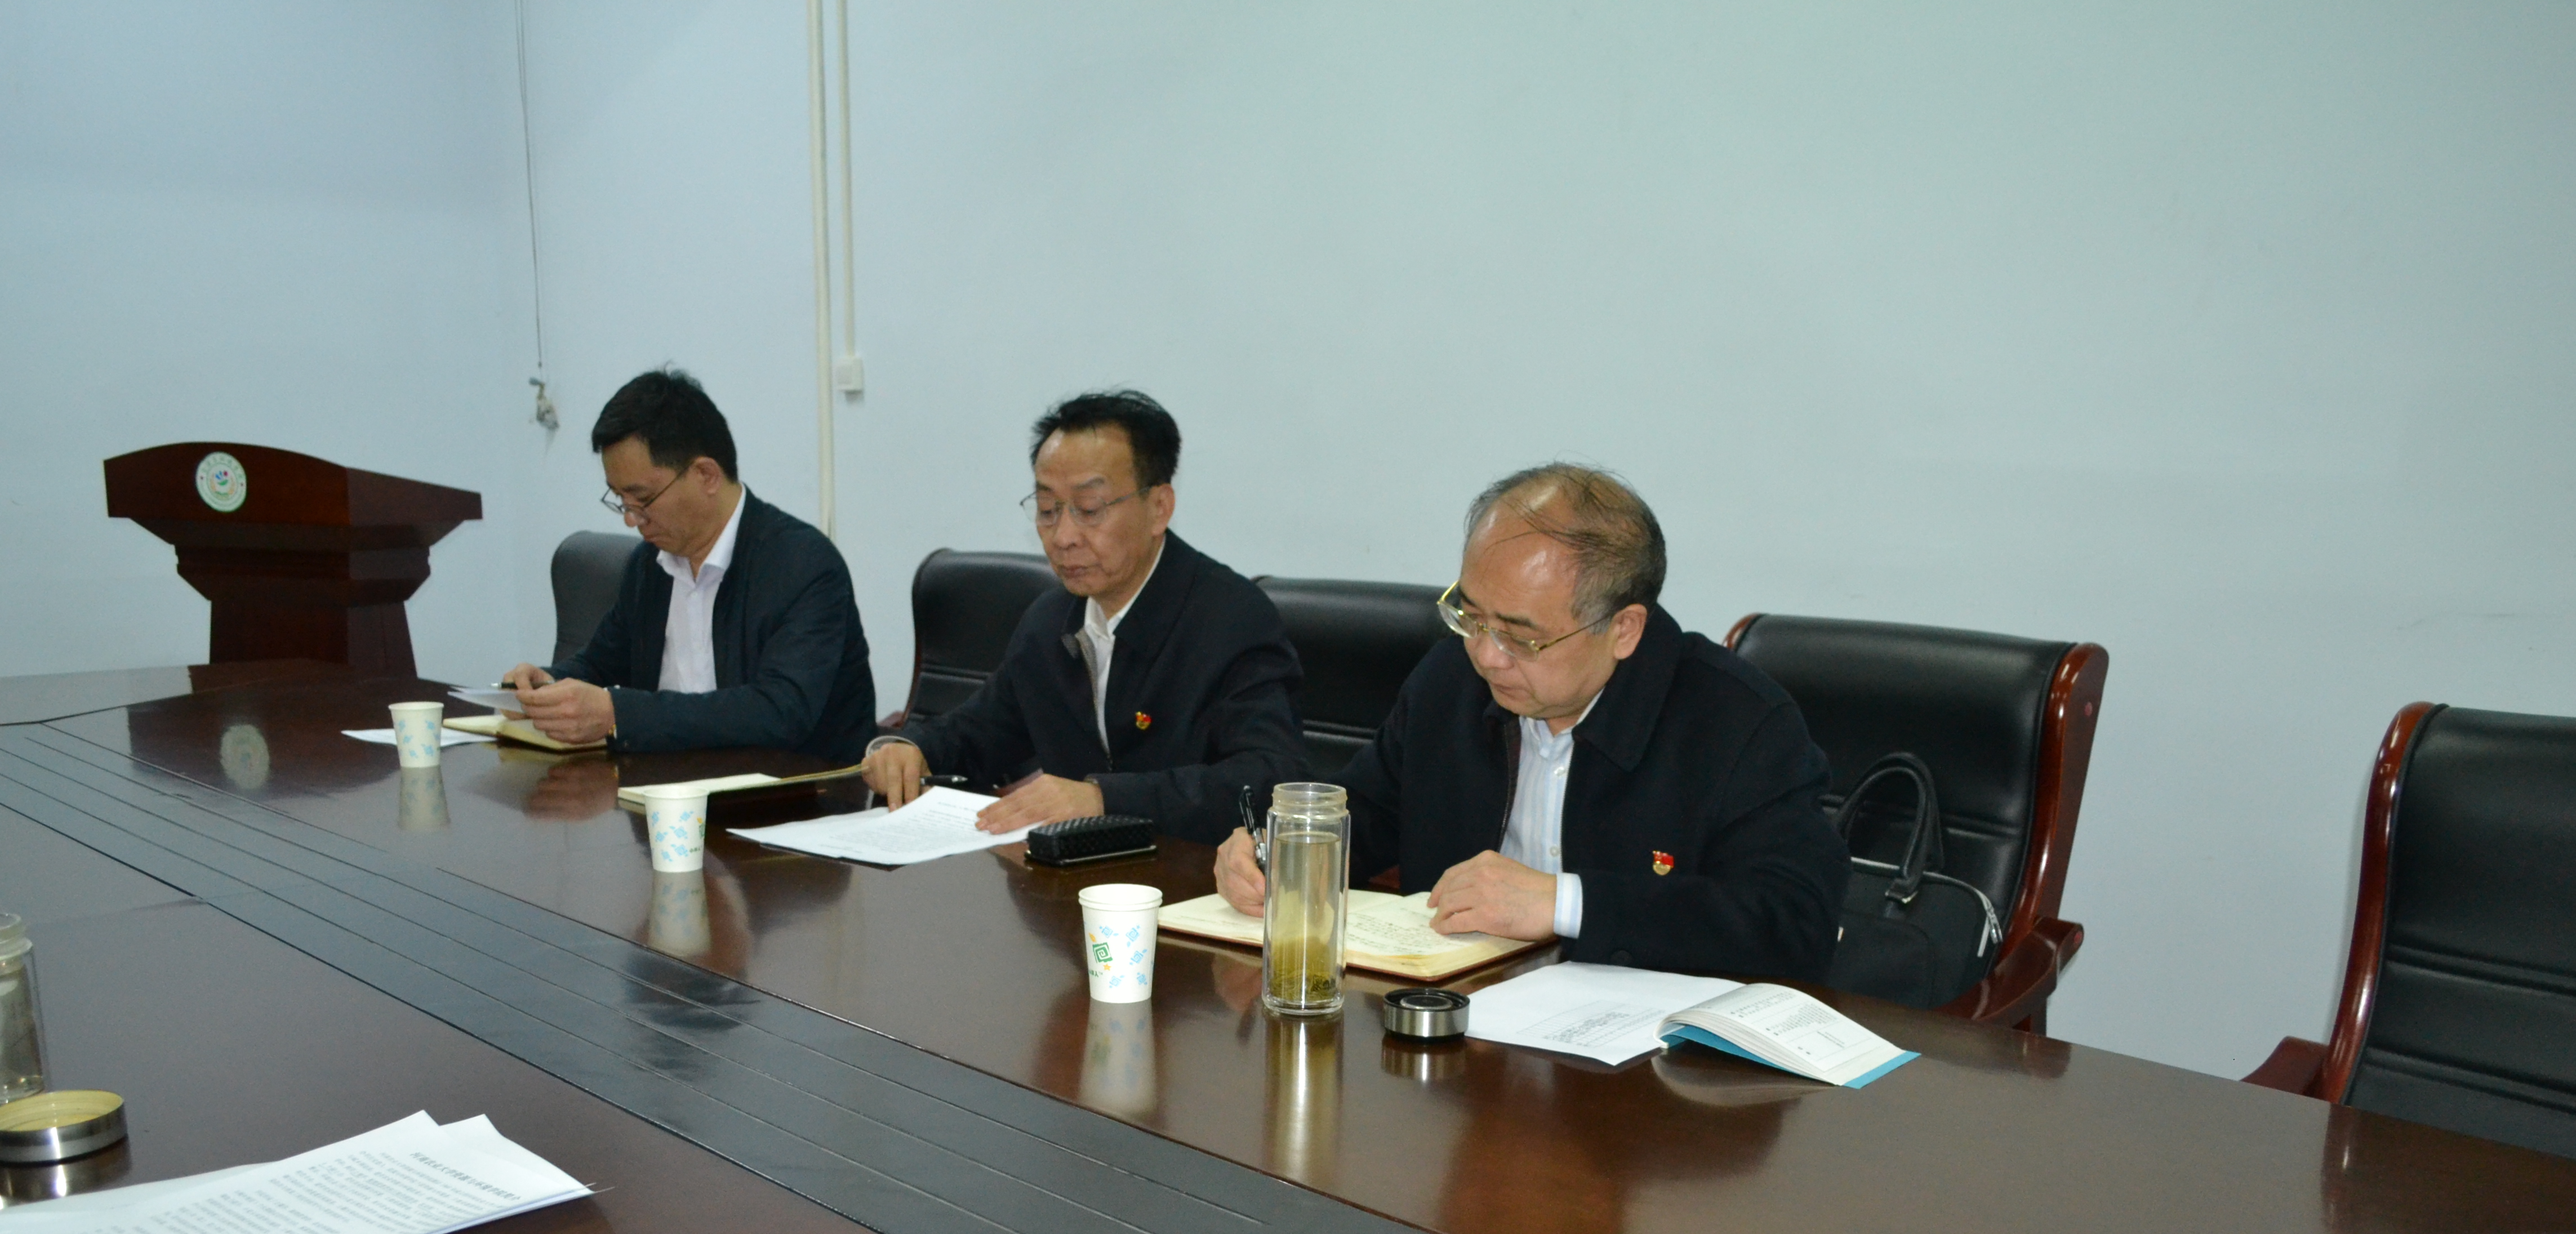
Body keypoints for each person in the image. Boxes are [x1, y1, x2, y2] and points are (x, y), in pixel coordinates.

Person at [1213, 463, 1847, 981]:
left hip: (1649, 1069)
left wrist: (1564, 902)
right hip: (1459, 1034)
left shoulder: (1736, 722)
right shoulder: (1449, 682)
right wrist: (1281, 851)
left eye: (1521, 637)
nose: (1487, 656)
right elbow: (1370, 814)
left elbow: (1793, 924)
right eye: (1471, 616)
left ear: (1623, 629)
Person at [859, 390, 1306, 843]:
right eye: (1048, 510)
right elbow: (979, 733)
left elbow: (1272, 779)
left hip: (1195, 875)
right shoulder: (1050, 621)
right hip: (1073, 875)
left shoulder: (1231, 620)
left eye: (1089, 510)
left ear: (1159, 508)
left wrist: (1103, 798)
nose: (1063, 536)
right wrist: (909, 750)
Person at [501, 369, 877, 758]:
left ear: (706, 475)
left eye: (642, 499)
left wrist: (619, 714)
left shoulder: (804, 565)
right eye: (620, 500)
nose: (631, 519)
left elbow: (780, 711)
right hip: (669, 781)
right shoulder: (650, 566)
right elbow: (602, 664)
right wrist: (548, 684)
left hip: (799, 787)